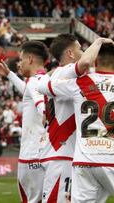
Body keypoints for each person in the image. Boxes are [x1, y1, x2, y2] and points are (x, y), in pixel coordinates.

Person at [38, 39, 114, 203]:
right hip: (110, 158)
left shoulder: (79, 83)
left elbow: (42, 87)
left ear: (95, 60)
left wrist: (45, 75)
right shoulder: (75, 76)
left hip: (84, 161)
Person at [0, 41, 48, 203]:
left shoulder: (34, 82)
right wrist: (9, 75)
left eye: (20, 60)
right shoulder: (44, 80)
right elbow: (29, 92)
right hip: (44, 153)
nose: (18, 64)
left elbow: (40, 102)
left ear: (29, 59)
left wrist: (45, 112)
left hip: (32, 155)